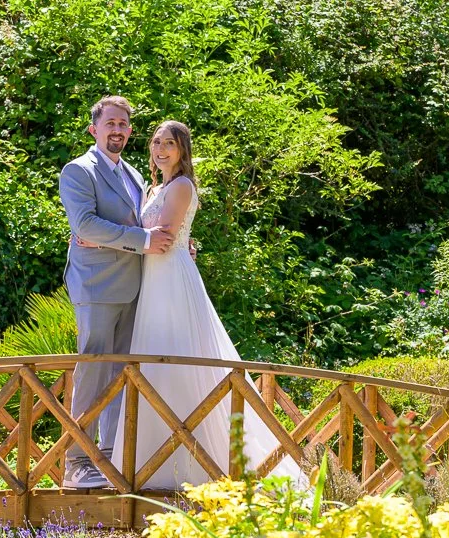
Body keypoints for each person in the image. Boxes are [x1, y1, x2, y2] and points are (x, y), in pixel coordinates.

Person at [125, 120, 300, 489]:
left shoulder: (182, 186)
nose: (160, 149)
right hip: (154, 277)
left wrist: (115, 240)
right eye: (156, 142)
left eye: (169, 143)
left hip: (171, 277)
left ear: (182, 150)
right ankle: (153, 462)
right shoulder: (155, 186)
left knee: (180, 357)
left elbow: (166, 236)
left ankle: (201, 463)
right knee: (155, 361)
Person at [57, 96, 175, 490]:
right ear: (94, 128)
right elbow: (86, 225)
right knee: (93, 368)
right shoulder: (79, 171)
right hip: (96, 286)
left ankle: (106, 459)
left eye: (124, 124)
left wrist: (172, 245)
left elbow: (147, 224)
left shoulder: (135, 175)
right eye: (110, 123)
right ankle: (76, 462)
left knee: (121, 372)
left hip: (135, 287)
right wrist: (139, 240)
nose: (118, 130)